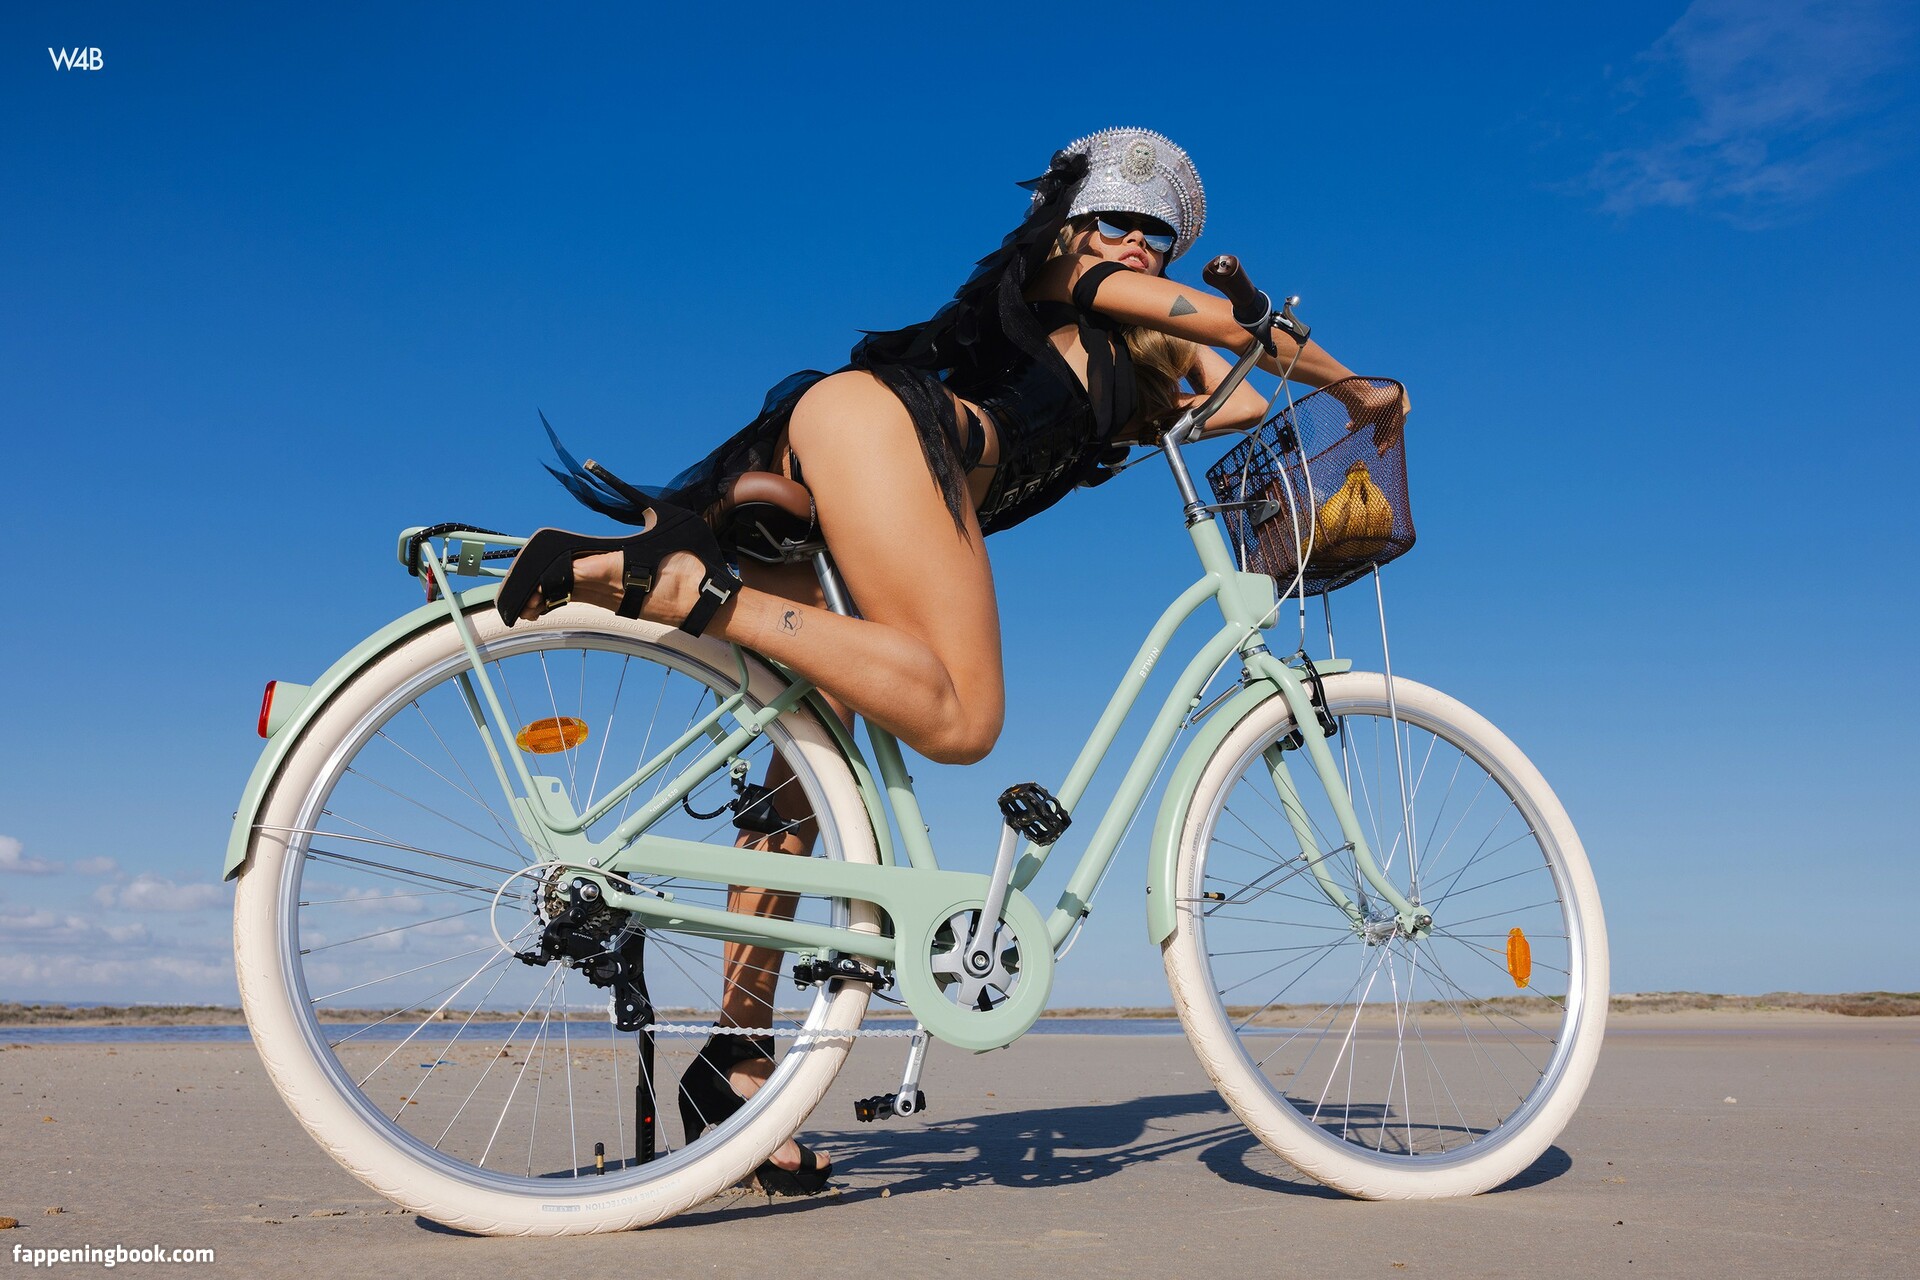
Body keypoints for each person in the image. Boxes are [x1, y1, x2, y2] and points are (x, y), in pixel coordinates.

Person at [496, 127, 1395, 1195]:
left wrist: (1251, 340)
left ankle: (734, 1059)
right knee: (962, 716)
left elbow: (1232, 387)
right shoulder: (1064, 277)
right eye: (1114, 218)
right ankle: (694, 588)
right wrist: (1353, 387)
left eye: (1159, 233)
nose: (1137, 243)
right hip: (885, 433)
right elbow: (1200, 319)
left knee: (804, 778)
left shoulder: (1125, 362)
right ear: (1067, 225)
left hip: (836, 450)